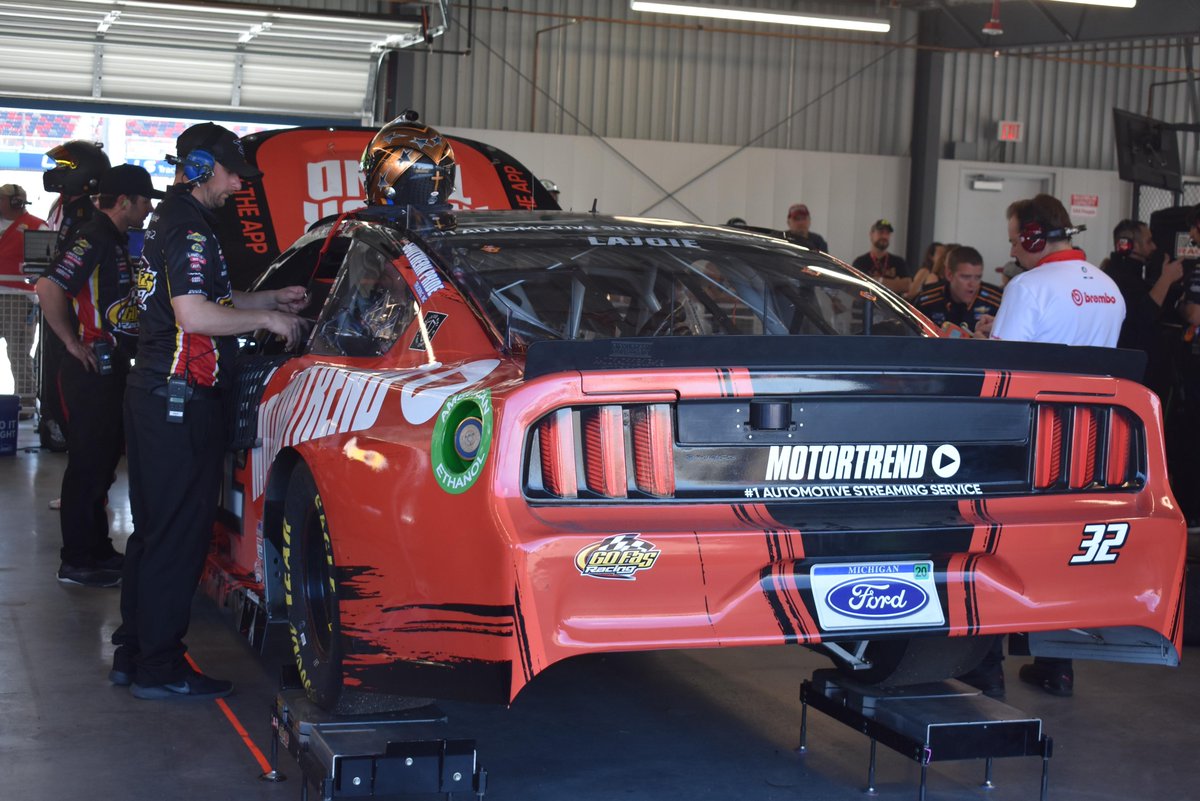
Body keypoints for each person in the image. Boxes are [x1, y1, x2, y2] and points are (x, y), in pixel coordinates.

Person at [111, 123, 307, 701]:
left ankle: (134, 651)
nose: (236, 187)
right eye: (231, 175)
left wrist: (269, 299)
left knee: (152, 534)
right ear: (200, 168)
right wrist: (268, 322)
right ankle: (161, 668)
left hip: (152, 394)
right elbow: (195, 316)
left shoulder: (167, 221)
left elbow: (201, 302)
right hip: (180, 399)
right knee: (176, 538)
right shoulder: (188, 228)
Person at [988, 193, 1126, 698]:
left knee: (1000, 545)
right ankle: (1058, 663)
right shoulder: (1110, 289)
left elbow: (1003, 369)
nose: (1013, 252)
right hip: (1091, 440)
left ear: (1032, 237)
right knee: (1066, 550)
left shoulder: (1028, 286)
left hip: (1032, 437)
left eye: (1014, 241)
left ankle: (983, 669)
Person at [35, 165, 161, 587]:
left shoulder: (113, 238)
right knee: (88, 464)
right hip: (85, 368)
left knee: (104, 461)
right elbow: (48, 287)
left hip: (109, 366)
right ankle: (76, 560)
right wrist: (73, 344)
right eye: (145, 200)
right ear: (125, 200)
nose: (148, 209)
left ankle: (97, 549)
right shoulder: (91, 236)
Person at [39, 140, 111, 452]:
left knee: (78, 408)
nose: (54, 172)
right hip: (68, 324)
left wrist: (70, 339)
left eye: (63, 167)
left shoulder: (88, 219)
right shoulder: (71, 210)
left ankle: (85, 495)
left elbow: (55, 282)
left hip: (80, 328)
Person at [1103, 219, 1183, 394]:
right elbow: (1145, 314)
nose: (1154, 247)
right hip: (1133, 372)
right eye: (1148, 241)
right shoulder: (1120, 279)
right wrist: (1167, 278)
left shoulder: (1127, 275)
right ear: (1131, 246)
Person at [0, 184, 48, 413]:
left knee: (18, 351)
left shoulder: (37, 227)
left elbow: (47, 265)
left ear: (16, 202)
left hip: (20, 299)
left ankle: (26, 402)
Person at [913, 246, 1003, 338]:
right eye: (965, 277)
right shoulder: (926, 301)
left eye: (978, 277)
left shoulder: (996, 301)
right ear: (949, 275)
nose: (973, 284)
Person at [852, 219, 909, 295]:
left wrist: (877, 280)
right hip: (866, 305)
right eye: (881, 232)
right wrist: (894, 283)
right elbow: (856, 287)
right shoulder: (860, 262)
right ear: (871, 234)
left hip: (890, 306)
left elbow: (906, 285)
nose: (884, 236)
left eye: (887, 233)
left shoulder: (898, 261)